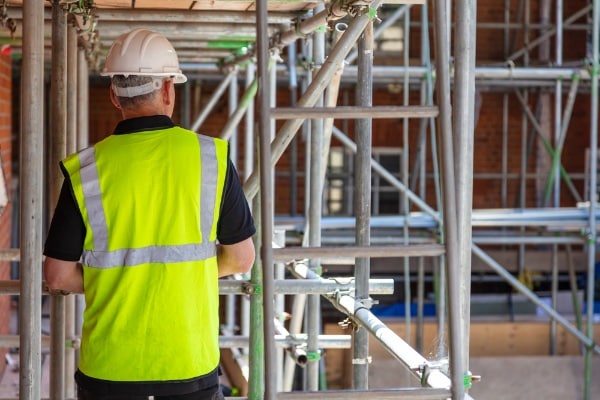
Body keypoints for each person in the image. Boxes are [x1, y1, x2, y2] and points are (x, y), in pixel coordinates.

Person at [43, 28, 256, 400]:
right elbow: (241, 258)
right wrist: (184, 276)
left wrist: (118, 280)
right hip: (189, 365)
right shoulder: (212, 159)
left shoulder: (85, 171)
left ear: (113, 95)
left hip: (109, 370)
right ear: (169, 90)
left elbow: (58, 276)